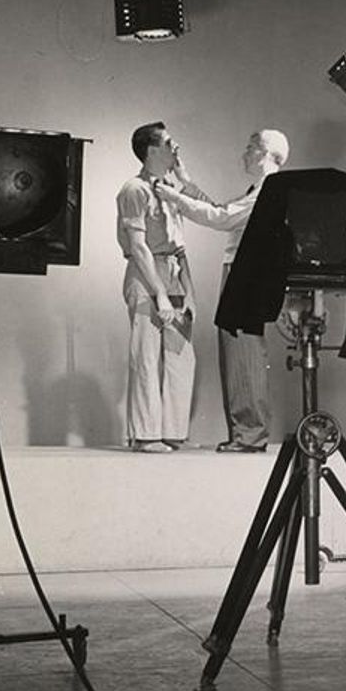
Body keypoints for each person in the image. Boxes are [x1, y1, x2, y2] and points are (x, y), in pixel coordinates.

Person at [155, 129, 290, 452]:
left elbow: (222, 217)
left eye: (250, 147)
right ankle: (245, 434)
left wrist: (174, 197)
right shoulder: (259, 190)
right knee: (235, 350)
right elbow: (221, 209)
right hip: (241, 272)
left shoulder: (270, 190)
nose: (244, 153)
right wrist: (186, 183)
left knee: (243, 352)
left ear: (265, 154)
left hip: (248, 275)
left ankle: (250, 435)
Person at [116, 122, 214, 453]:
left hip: (173, 271)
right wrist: (159, 293)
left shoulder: (170, 188)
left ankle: (173, 431)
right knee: (146, 355)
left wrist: (190, 293)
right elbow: (138, 246)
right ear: (152, 150)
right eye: (170, 143)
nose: (176, 148)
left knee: (181, 356)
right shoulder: (134, 190)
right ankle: (145, 436)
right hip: (146, 274)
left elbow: (183, 242)